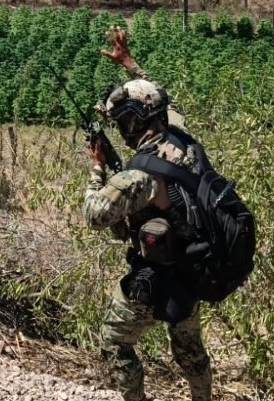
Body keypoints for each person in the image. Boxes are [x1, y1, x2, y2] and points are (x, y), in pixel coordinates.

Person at [82, 25, 212, 401]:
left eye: (123, 121)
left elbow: (94, 214)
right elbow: (165, 98)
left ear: (135, 121)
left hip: (154, 277)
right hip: (193, 267)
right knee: (190, 351)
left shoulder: (141, 176)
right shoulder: (182, 138)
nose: (121, 128)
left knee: (113, 342)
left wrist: (98, 168)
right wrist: (130, 63)